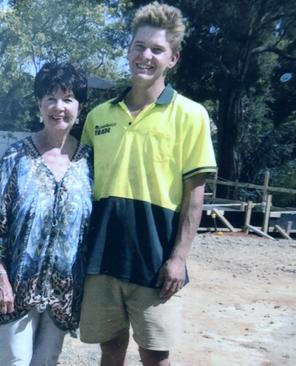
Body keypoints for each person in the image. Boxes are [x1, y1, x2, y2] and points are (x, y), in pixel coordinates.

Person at [78, 2, 217, 366]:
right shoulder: (98, 116)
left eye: (157, 49)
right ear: (128, 50)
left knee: (155, 355)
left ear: (173, 58)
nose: (146, 56)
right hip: (103, 255)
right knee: (110, 348)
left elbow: (194, 197)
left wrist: (178, 258)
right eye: (139, 46)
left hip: (155, 259)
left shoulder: (191, 115)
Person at [0, 61, 92, 366]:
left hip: (64, 293)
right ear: (39, 104)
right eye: (51, 98)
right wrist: (0, 277)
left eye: (68, 99)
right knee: (15, 361)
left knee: (46, 362)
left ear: (79, 107)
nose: (59, 107)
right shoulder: (16, 157)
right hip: (15, 289)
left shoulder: (89, 162)